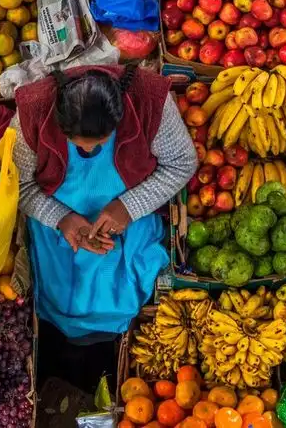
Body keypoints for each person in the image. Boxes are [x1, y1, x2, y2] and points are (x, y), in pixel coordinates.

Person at [11, 64, 197, 344]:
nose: (87, 150)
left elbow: (182, 163)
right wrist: (62, 219)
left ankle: (115, 341)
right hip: (57, 216)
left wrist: (127, 207)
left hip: (129, 213)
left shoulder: (149, 100)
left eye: (99, 141)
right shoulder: (33, 110)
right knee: (61, 297)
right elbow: (20, 184)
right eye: (78, 144)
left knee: (125, 290)